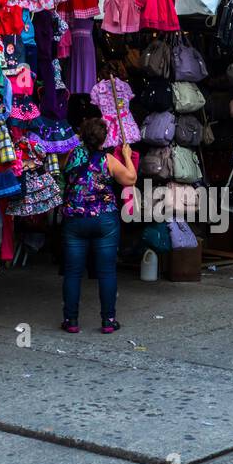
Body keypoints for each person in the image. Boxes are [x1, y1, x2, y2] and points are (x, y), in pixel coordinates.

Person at [60, 116, 136, 334]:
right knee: (107, 271)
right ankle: (108, 320)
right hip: (105, 220)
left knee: (73, 273)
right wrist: (128, 157)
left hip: (75, 219)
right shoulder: (108, 160)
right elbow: (130, 179)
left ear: (82, 136)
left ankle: (71, 321)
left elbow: (60, 174)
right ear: (104, 139)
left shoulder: (70, 155)